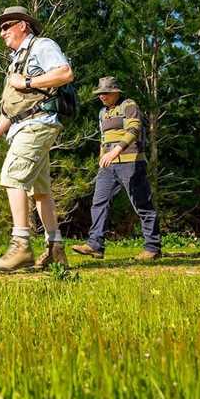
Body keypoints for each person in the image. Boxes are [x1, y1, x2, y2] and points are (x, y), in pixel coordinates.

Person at [0, 6, 74, 273]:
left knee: (12, 176)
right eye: (0, 29)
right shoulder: (15, 62)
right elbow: (11, 108)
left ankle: (21, 244)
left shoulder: (43, 45)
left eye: (6, 26)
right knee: (41, 192)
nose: (2, 33)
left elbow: (65, 73)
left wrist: (29, 82)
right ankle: (55, 249)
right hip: (22, 125)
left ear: (23, 25)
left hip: (37, 124)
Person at [71, 77, 162, 261]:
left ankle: (152, 248)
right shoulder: (102, 113)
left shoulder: (129, 105)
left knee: (142, 203)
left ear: (116, 92)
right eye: (100, 93)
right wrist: (102, 157)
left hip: (131, 162)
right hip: (107, 165)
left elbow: (134, 130)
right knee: (99, 203)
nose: (102, 96)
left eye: (106, 93)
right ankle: (95, 245)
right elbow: (103, 138)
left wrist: (115, 152)